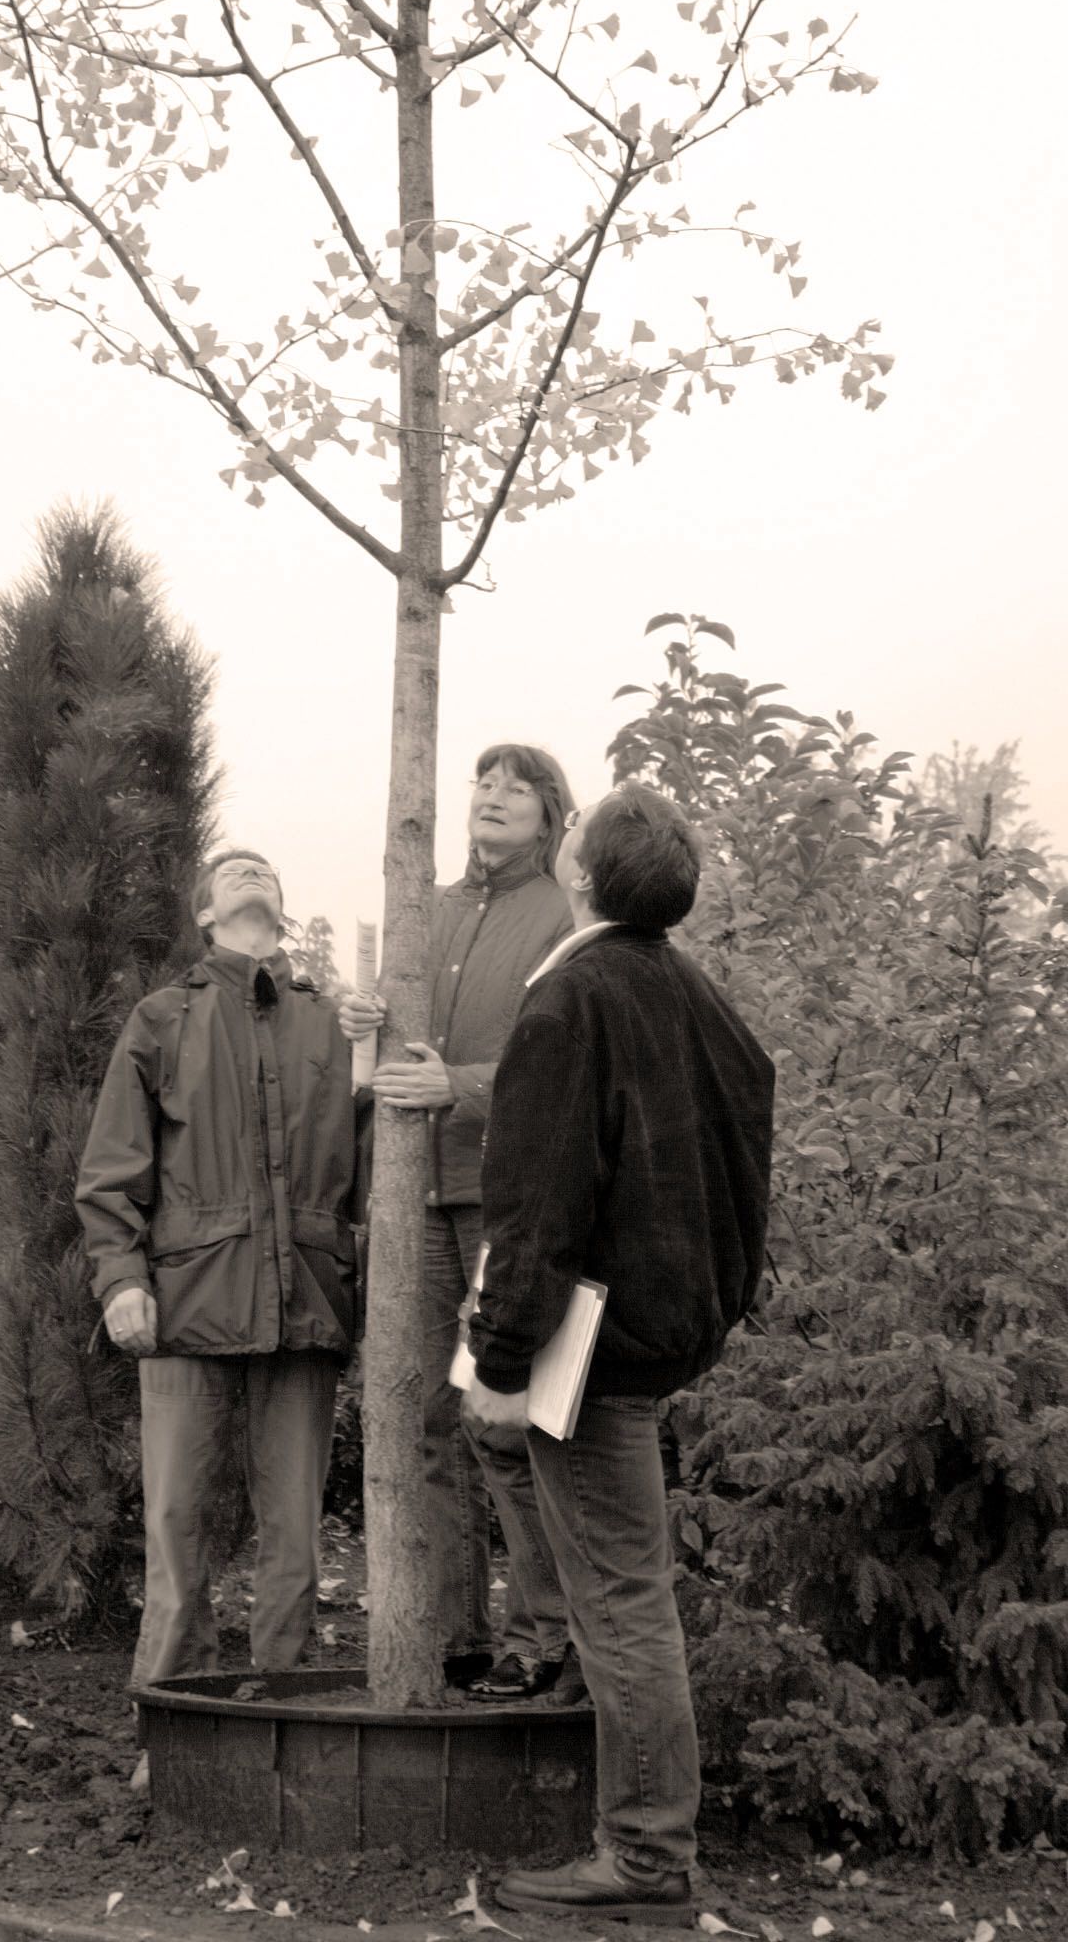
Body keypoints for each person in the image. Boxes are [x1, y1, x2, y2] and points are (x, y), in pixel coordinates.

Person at [463, 783, 774, 1924]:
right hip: (653, 1340)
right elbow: (743, 1174)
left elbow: (533, 1205)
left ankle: (644, 1862)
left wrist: (501, 1361)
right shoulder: (699, 999)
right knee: (628, 1591)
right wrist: (711, 1306)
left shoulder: (571, 1000)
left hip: (583, 1358)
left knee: (620, 1604)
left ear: (583, 876)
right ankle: (648, 1850)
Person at [75, 848, 360, 1691]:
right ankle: (171, 1721)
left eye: (267, 870)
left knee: (296, 1533)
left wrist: (384, 1051)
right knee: (176, 1524)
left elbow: (376, 1162)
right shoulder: (162, 1020)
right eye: (233, 871)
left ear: (283, 905)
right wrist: (122, 1279)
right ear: (204, 915)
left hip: (305, 1302)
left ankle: (285, 1710)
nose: (253, 874)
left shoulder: (333, 1024)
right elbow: (110, 1171)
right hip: (183, 1304)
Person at [341, 744, 576, 1699]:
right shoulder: (424, 911)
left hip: (502, 1194)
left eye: (518, 788)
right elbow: (393, 1056)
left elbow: (563, 1058)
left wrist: (461, 1087)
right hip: (415, 1193)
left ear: (552, 818)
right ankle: (451, 1632)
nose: (494, 796)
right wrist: (367, 1023)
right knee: (430, 1419)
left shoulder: (562, 915)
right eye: (484, 783)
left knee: (507, 1421)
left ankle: (543, 1637)